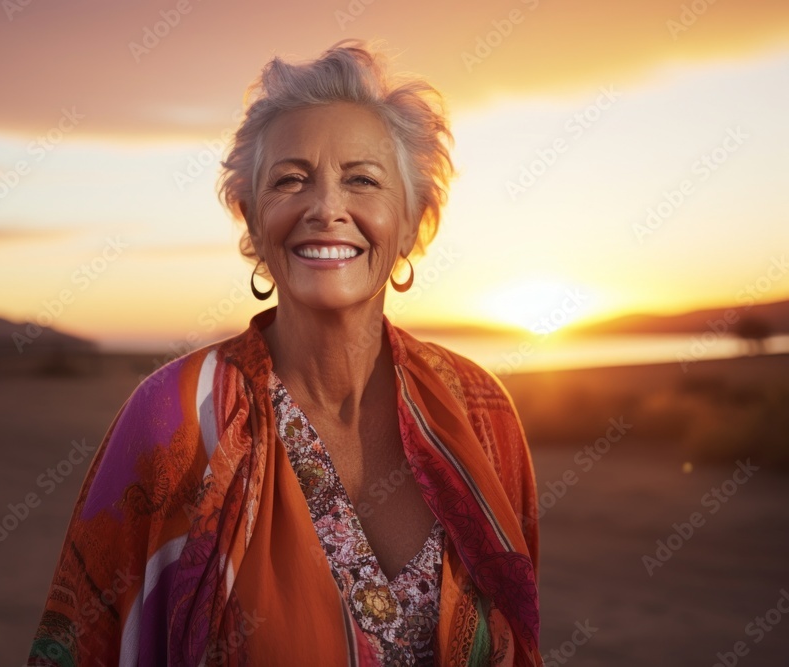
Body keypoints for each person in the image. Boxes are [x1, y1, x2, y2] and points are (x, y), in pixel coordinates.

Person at [28, 39, 541, 667]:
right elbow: (87, 642)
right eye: (290, 180)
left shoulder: (481, 410)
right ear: (251, 219)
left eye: (363, 180)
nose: (326, 208)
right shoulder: (175, 417)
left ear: (412, 223)